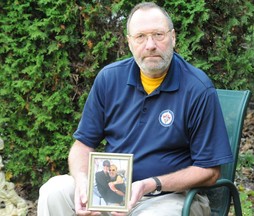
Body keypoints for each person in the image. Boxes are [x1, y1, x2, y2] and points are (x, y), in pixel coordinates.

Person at [37, 2, 233, 216]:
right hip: (112, 192)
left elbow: (210, 172)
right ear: (129, 42)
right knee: (54, 191)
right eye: (140, 36)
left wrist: (150, 184)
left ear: (173, 37)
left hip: (169, 197)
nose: (150, 45)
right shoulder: (109, 79)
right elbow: (82, 146)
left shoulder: (198, 88)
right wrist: (84, 183)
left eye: (158, 34)